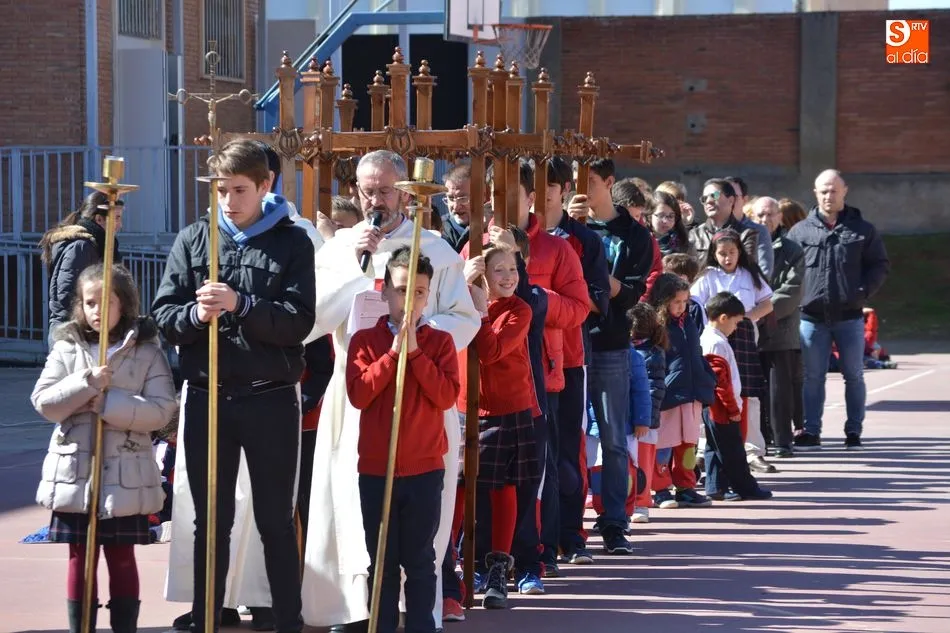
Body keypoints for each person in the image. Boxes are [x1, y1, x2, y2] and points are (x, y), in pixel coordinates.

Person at [301, 150, 479, 633]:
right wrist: (352, 266)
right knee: (350, 504)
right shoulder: (341, 248)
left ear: (403, 193)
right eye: (367, 191)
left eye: (384, 191)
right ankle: (351, 609)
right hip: (359, 390)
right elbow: (311, 321)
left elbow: (465, 318)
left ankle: (418, 610)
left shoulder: (435, 250)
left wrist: (418, 335)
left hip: (423, 390)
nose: (375, 201)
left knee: (418, 522)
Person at [152, 139, 316, 633]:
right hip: (209, 397)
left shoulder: (292, 242)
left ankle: (287, 620)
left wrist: (242, 305)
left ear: (265, 185)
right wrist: (195, 315)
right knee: (211, 520)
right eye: (220, 190)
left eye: (239, 190)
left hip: (270, 397)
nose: (228, 200)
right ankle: (207, 616)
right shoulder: (194, 239)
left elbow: (298, 322)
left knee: (275, 519)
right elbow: (165, 316)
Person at [32, 263, 177, 633]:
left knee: (121, 556)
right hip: (76, 474)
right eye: (90, 302)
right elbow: (44, 402)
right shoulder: (67, 348)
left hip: (125, 476)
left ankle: (124, 626)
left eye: (106, 302)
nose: (97, 310)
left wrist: (110, 404)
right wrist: (85, 384)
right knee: (79, 556)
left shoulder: (146, 352)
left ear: (123, 304)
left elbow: (162, 410)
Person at [346, 247, 460, 633]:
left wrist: (415, 354)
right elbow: (359, 394)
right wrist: (394, 354)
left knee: (420, 561)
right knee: (382, 563)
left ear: (428, 296)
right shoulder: (364, 341)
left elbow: (445, 396)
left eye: (419, 292)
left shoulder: (440, 343)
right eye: (401, 290)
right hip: (377, 471)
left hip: (424, 470)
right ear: (384, 291)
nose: (409, 300)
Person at [571, 158, 659, 553]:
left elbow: (632, 294)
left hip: (609, 340)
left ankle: (614, 521)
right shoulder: (567, 227)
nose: (582, 188)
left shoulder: (634, 235)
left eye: (589, 180)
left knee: (613, 436)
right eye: (575, 181)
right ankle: (568, 524)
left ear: (609, 182)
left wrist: (590, 271)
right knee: (568, 438)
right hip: (569, 340)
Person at [458, 242, 539, 609]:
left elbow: (491, 351)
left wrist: (480, 314)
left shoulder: (519, 310)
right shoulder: (462, 302)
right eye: (499, 270)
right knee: (460, 487)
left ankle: (498, 568)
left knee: (503, 488)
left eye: (513, 269)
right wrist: (466, 295)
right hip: (464, 406)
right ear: (482, 275)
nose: (508, 277)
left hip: (507, 408)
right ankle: (455, 566)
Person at [787, 169, 890, 450]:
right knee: (812, 377)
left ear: (845, 191)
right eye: (823, 191)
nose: (828, 196)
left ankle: (854, 431)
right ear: (815, 193)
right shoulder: (800, 231)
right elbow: (787, 269)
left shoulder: (863, 230)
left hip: (849, 317)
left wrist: (861, 292)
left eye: (834, 190)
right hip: (811, 317)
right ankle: (811, 431)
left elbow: (879, 265)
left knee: (854, 376)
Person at [542, 156, 610, 567]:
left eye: (549, 187)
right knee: (534, 455)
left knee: (569, 448)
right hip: (518, 358)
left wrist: (544, 298)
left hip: (568, 356)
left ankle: (571, 533)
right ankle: (537, 540)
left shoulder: (583, 240)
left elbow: (597, 300)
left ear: (563, 189)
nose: (540, 196)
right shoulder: (505, 236)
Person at [690, 229, 774, 473]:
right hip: (715, 336)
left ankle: (753, 451)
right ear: (714, 254)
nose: (727, 258)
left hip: (744, 337)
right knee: (712, 390)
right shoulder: (707, 275)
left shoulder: (749, 275)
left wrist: (745, 319)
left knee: (749, 393)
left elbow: (767, 303)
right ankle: (704, 449)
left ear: (740, 252)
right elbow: (695, 304)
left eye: (732, 252)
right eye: (722, 253)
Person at [648, 273, 715, 509]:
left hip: (692, 392)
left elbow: (695, 352)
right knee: (664, 444)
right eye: (676, 301)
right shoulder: (656, 326)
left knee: (688, 443)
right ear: (663, 300)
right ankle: (660, 488)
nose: (681, 306)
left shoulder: (688, 321)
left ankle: (685, 487)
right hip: (669, 394)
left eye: (685, 301)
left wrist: (707, 377)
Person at [699, 291, 772, 501]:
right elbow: (720, 381)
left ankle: (716, 486)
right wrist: (732, 408)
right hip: (721, 407)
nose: (736, 327)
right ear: (723, 318)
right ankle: (746, 488)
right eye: (735, 322)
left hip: (715, 406)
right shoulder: (716, 343)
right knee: (733, 451)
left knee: (715, 448)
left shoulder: (710, 338)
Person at [752, 197, 804, 459]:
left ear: (780, 217)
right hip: (750, 326)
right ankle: (760, 440)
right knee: (754, 389)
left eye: (771, 214)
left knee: (780, 389)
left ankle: (783, 441)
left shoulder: (792, 249)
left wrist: (762, 311)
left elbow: (793, 289)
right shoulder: (746, 245)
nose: (766, 219)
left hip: (780, 328)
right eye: (760, 215)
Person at [40, 191, 124, 347]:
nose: (120, 225)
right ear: (99, 219)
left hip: (83, 331)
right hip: (70, 333)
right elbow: (67, 296)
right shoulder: (82, 247)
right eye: (117, 218)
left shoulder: (94, 245)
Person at [628, 302, 667, 523]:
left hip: (645, 422)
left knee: (642, 465)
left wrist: (645, 419)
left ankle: (641, 503)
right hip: (631, 419)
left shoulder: (652, 353)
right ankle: (629, 502)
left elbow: (654, 388)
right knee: (629, 465)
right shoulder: (628, 349)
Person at [689, 179, 759, 269]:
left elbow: (748, 269)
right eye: (704, 198)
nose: (708, 201)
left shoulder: (746, 234)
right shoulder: (695, 234)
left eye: (714, 195)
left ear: (731, 200)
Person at [724, 176, 774, 278]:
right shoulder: (709, 229)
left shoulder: (759, 231)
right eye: (724, 196)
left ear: (745, 200)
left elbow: (764, 271)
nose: (729, 200)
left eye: (734, 196)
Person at [440, 163, 473, 253]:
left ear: (483, 196)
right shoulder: (442, 228)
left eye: (463, 198)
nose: (456, 206)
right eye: (451, 198)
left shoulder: (493, 226)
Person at [649, 190, 692, 257]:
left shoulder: (685, 245)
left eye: (671, 216)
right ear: (649, 216)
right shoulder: (640, 241)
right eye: (661, 215)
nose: (665, 221)